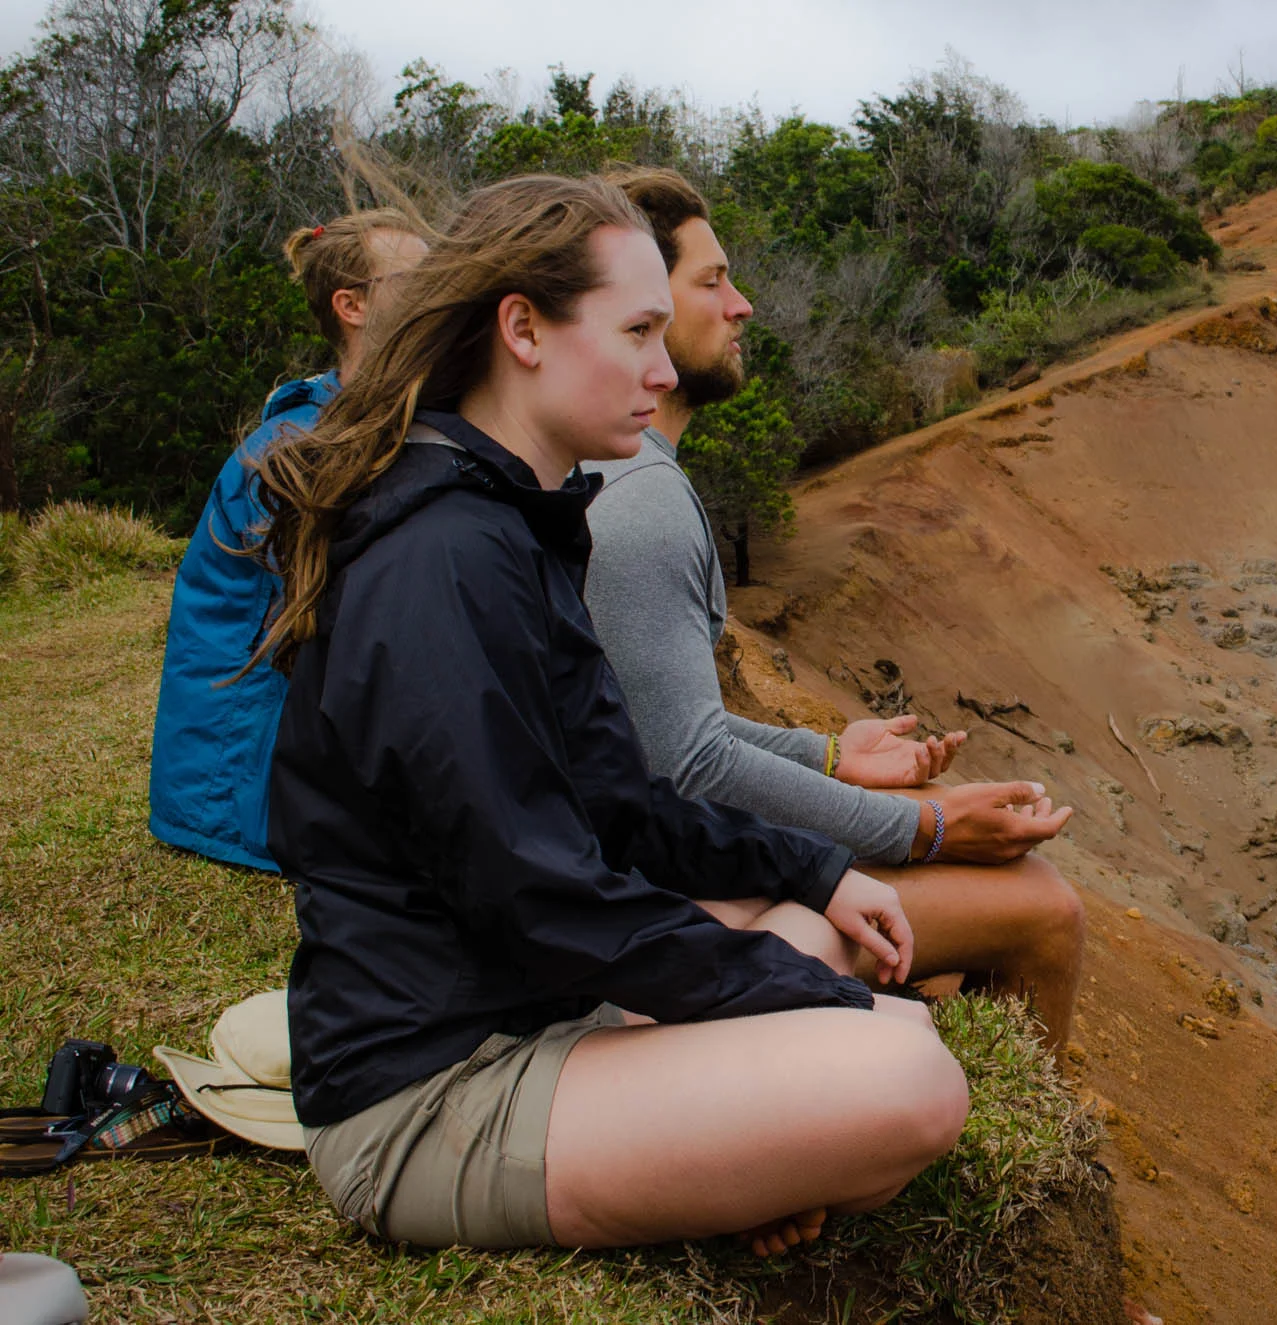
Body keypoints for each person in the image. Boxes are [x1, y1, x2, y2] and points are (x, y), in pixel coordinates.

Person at [251, 173, 967, 1257]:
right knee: (909, 1074)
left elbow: (623, 804)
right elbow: (536, 890)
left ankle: (723, 1156)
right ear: (524, 329)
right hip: (433, 1089)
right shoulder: (441, 560)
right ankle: (726, 1164)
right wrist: (814, 1004)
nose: (663, 368)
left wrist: (816, 868)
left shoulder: (509, 519)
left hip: (538, 1013)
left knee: (813, 933)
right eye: (636, 330)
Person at [585, 168, 1086, 1046]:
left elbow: (658, 726)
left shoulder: (617, 475)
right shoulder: (638, 500)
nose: (741, 306)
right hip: (636, 894)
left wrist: (828, 753)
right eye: (712, 281)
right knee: (1045, 904)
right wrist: (923, 828)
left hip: (627, 857)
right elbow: (687, 768)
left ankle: (918, 1099)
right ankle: (987, 1152)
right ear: (641, 306)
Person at [148, 208, 427, 870]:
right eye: (417, 279)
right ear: (352, 305)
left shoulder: (371, 424)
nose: (441, 291)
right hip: (237, 783)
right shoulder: (292, 450)